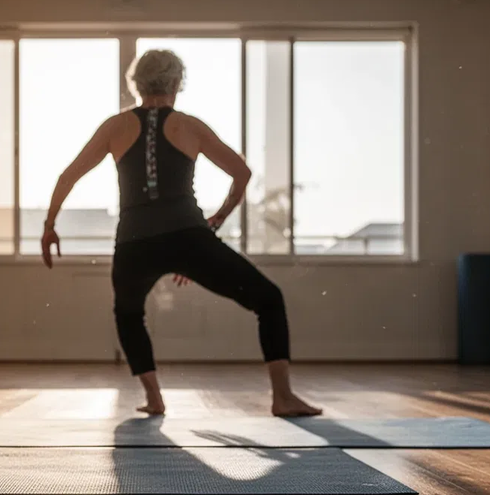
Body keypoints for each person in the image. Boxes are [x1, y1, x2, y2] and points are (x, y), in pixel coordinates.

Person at [40, 49, 321, 418]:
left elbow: (68, 176)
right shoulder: (189, 125)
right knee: (268, 299)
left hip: (133, 243)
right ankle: (282, 397)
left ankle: (154, 398)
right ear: (176, 83)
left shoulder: (115, 127)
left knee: (128, 313)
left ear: (137, 84)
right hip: (187, 237)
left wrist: (49, 226)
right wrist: (216, 221)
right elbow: (242, 172)